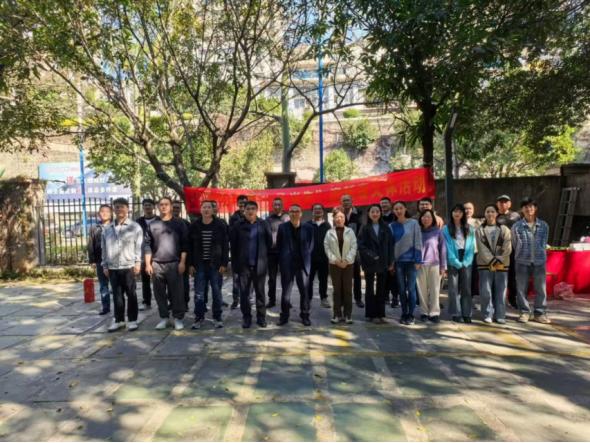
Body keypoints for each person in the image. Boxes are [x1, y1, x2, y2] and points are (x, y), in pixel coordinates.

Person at [144, 197, 189, 331]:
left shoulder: (179, 224)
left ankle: (177, 318)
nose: (163, 207)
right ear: (158, 207)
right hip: (157, 264)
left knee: (177, 293)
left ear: (171, 206)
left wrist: (182, 262)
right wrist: (148, 264)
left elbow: (185, 244)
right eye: (161, 204)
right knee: (159, 294)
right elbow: (147, 245)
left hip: (174, 263)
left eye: (166, 204)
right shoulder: (152, 225)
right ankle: (164, 317)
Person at [101, 198, 143, 332]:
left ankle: (132, 320)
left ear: (127, 209)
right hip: (113, 267)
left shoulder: (135, 227)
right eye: (117, 207)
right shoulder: (107, 229)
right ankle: (119, 320)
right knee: (117, 295)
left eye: (122, 207)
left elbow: (139, 247)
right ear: (114, 209)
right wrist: (104, 265)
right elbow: (103, 248)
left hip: (128, 266)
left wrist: (138, 262)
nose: (119, 209)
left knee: (131, 294)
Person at [230, 201, 272, 328]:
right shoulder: (238, 225)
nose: (250, 211)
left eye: (253, 208)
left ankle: (261, 317)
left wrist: (264, 260)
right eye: (248, 209)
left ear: (256, 210)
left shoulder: (263, 224)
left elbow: (269, 243)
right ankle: (246, 317)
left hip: (259, 266)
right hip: (243, 266)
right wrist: (235, 265)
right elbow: (233, 246)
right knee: (244, 294)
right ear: (244, 210)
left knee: (260, 292)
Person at [189, 200, 229, 330]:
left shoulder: (220, 225)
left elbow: (225, 245)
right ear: (200, 210)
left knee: (216, 292)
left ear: (213, 210)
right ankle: (199, 317)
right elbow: (190, 246)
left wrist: (224, 263)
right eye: (204, 207)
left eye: (208, 207)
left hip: (215, 265)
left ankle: (217, 317)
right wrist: (191, 264)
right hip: (199, 264)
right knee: (199, 293)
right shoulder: (194, 225)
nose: (206, 209)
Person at [512, 197, 551, 324]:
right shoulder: (517, 226)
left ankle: (539, 313)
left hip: (539, 261)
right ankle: (524, 312)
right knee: (521, 289)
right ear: (522, 209)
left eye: (531, 206)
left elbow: (544, 242)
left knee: (541, 289)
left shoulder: (544, 225)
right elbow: (515, 243)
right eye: (526, 207)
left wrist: (539, 253)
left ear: (535, 208)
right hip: (522, 261)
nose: (529, 209)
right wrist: (522, 253)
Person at [276, 204, 315, 326]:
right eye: (292, 211)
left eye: (297, 211)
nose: (294, 213)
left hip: (302, 264)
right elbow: (279, 245)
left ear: (301, 213)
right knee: (286, 292)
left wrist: (306, 257)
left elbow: (311, 245)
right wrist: (282, 260)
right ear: (289, 213)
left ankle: (305, 315)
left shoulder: (308, 228)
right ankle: (284, 316)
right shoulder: (282, 227)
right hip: (287, 264)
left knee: (304, 291)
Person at [358, 204, 394, 323]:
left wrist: (391, 261)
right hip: (369, 261)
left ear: (380, 213)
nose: (375, 214)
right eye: (372, 212)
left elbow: (391, 245)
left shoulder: (386, 227)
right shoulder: (365, 228)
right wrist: (372, 255)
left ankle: (380, 313)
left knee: (381, 288)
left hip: (383, 261)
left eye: (377, 211)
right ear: (368, 214)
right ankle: (370, 314)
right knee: (369, 288)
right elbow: (361, 245)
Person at [476, 204, 512, 324]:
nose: (490, 214)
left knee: (501, 291)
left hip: (502, 264)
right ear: (484, 214)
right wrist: (492, 261)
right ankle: (487, 314)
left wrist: (498, 259)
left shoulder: (504, 229)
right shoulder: (479, 230)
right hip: (485, 264)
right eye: (488, 211)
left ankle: (500, 315)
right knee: (485, 291)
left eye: (492, 211)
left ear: (497, 214)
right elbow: (481, 248)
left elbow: (507, 247)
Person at [442, 203, 476, 323]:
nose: (457, 213)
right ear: (451, 213)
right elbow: (447, 246)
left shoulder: (470, 228)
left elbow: (472, 246)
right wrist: (454, 260)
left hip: (466, 257)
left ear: (463, 214)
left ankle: (466, 313)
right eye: (455, 211)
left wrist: (467, 260)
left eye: (460, 211)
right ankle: (455, 313)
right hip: (453, 257)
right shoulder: (446, 229)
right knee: (453, 288)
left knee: (466, 287)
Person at [390, 201, 422, 325]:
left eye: (400, 208)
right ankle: (404, 313)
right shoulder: (391, 226)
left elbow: (418, 241)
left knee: (411, 288)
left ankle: (411, 314)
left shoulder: (413, 223)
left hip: (412, 261)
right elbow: (391, 246)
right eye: (396, 209)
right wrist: (392, 262)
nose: (398, 211)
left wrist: (418, 260)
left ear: (405, 209)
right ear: (393, 211)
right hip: (398, 262)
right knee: (402, 289)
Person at [324, 207, 358, 324]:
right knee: (337, 290)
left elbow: (354, 247)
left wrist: (347, 260)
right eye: (337, 217)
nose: (339, 219)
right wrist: (336, 260)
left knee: (348, 290)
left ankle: (348, 315)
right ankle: (337, 314)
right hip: (334, 265)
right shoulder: (329, 233)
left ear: (344, 219)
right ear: (333, 218)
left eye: (341, 217)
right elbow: (327, 248)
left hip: (348, 265)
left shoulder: (350, 232)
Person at [417, 209, 447, 323]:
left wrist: (443, 266)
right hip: (419, 265)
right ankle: (424, 312)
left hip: (435, 264)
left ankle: (434, 313)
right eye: (424, 217)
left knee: (435, 290)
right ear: (420, 219)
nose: (426, 219)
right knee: (422, 290)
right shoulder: (417, 231)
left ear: (433, 219)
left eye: (428, 217)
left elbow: (443, 249)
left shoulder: (438, 232)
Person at [496, 194, 521, 308]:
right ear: (497, 204)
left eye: (505, 202)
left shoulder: (516, 216)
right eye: (501, 202)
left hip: (514, 250)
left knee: (513, 275)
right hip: (499, 251)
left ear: (510, 204)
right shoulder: (494, 215)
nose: (503, 204)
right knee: (498, 274)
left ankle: (512, 298)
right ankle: (498, 299)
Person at [87, 204, 113, 316]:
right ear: (99, 214)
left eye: (107, 211)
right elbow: (91, 244)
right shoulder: (94, 228)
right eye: (102, 211)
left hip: (114, 260)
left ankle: (119, 307)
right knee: (103, 285)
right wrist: (92, 260)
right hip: (99, 260)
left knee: (116, 285)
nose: (104, 213)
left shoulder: (115, 226)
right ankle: (106, 307)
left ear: (111, 214)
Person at [266, 197, 290, 308]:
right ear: (272, 206)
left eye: (278, 204)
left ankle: (286, 299)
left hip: (284, 252)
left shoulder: (287, 218)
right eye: (275, 204)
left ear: (282, 206)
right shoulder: (268, 219)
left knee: (286, 277)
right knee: (272, 278)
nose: (276, 206)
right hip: (271, 253)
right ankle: (272, 300)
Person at [306, 203, 331, 308]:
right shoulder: (307, 225)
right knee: (308, 280)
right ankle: (308, 299)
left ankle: (323, 298)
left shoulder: (327, 226)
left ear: (323, 211)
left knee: (323, 279)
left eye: (319, 209)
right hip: (310, 258)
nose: (317, 210)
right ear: (312, 212)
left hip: (323, 257)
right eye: (315, 209)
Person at [341, 194, 364, 308]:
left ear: (352, 201)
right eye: (344, 201)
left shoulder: (358, 214)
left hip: (355, 249)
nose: (346, 202)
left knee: (356, 275)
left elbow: (361, 231)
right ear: (341, 203)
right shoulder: (339, 214)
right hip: (342, 249)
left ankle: (358, 298)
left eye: (348, 200)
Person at [135, 198, 159, 311]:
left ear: (153, 207)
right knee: (145, 281)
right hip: (143, 254)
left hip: (158, 254)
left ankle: (162, 302)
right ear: (143, 207)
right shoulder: (138, 222)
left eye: (149, 205)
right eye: (145, 205)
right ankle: (146, 302)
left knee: (159, 280)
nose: (147, 207)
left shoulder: (159, 220)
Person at [229, 194, 249, 309]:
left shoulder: (251, 216)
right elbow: (231, 235)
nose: (242, 204)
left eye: (244, 202)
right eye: (240, 202)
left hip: (248, 253)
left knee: (249, 278)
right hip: (236, 252)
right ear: (237, 204)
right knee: (236, 278)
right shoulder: (233, 218)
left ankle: (248, 298)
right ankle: (235, 300)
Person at [380, 196, 400, 308]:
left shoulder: (395, 216)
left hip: (395, 248)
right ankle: (385, 296)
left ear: (390, 204)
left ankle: (395, 297)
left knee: (394, 275)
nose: (384, 205)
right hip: (383, 250)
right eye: (382, 203)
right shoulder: (378, 216)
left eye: (386, 203)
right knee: (384, 275)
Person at [172, 200, 191, 312]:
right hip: (168, 258)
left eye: (177, 208)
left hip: (183, 258)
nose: (175, 209)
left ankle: (185, 303)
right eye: (174, 207)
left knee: (184, 282)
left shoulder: (186, 223)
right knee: (171, 283)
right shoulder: (164, 222)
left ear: (180, 209)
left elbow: (189, 242)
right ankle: (173, 303)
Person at [211, 200, 229, 308]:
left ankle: (218, 300)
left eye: (215, 206)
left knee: (218, 282)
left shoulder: (222, 222)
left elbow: (226, 241)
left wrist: (224, 261)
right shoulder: (200, 222)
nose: (213, 208)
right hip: (205, 259)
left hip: (218, 259)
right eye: (211, 206)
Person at [465, 202, 481, 302]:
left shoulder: (477, 222)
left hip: (476, 252)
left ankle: (473, 297)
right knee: (465, 276)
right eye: (466, 208)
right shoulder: (459, 221)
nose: (468, 210)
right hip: (463, 253)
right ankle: (465, 297)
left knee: (475, 276)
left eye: (470, 208)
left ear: (473, 210)